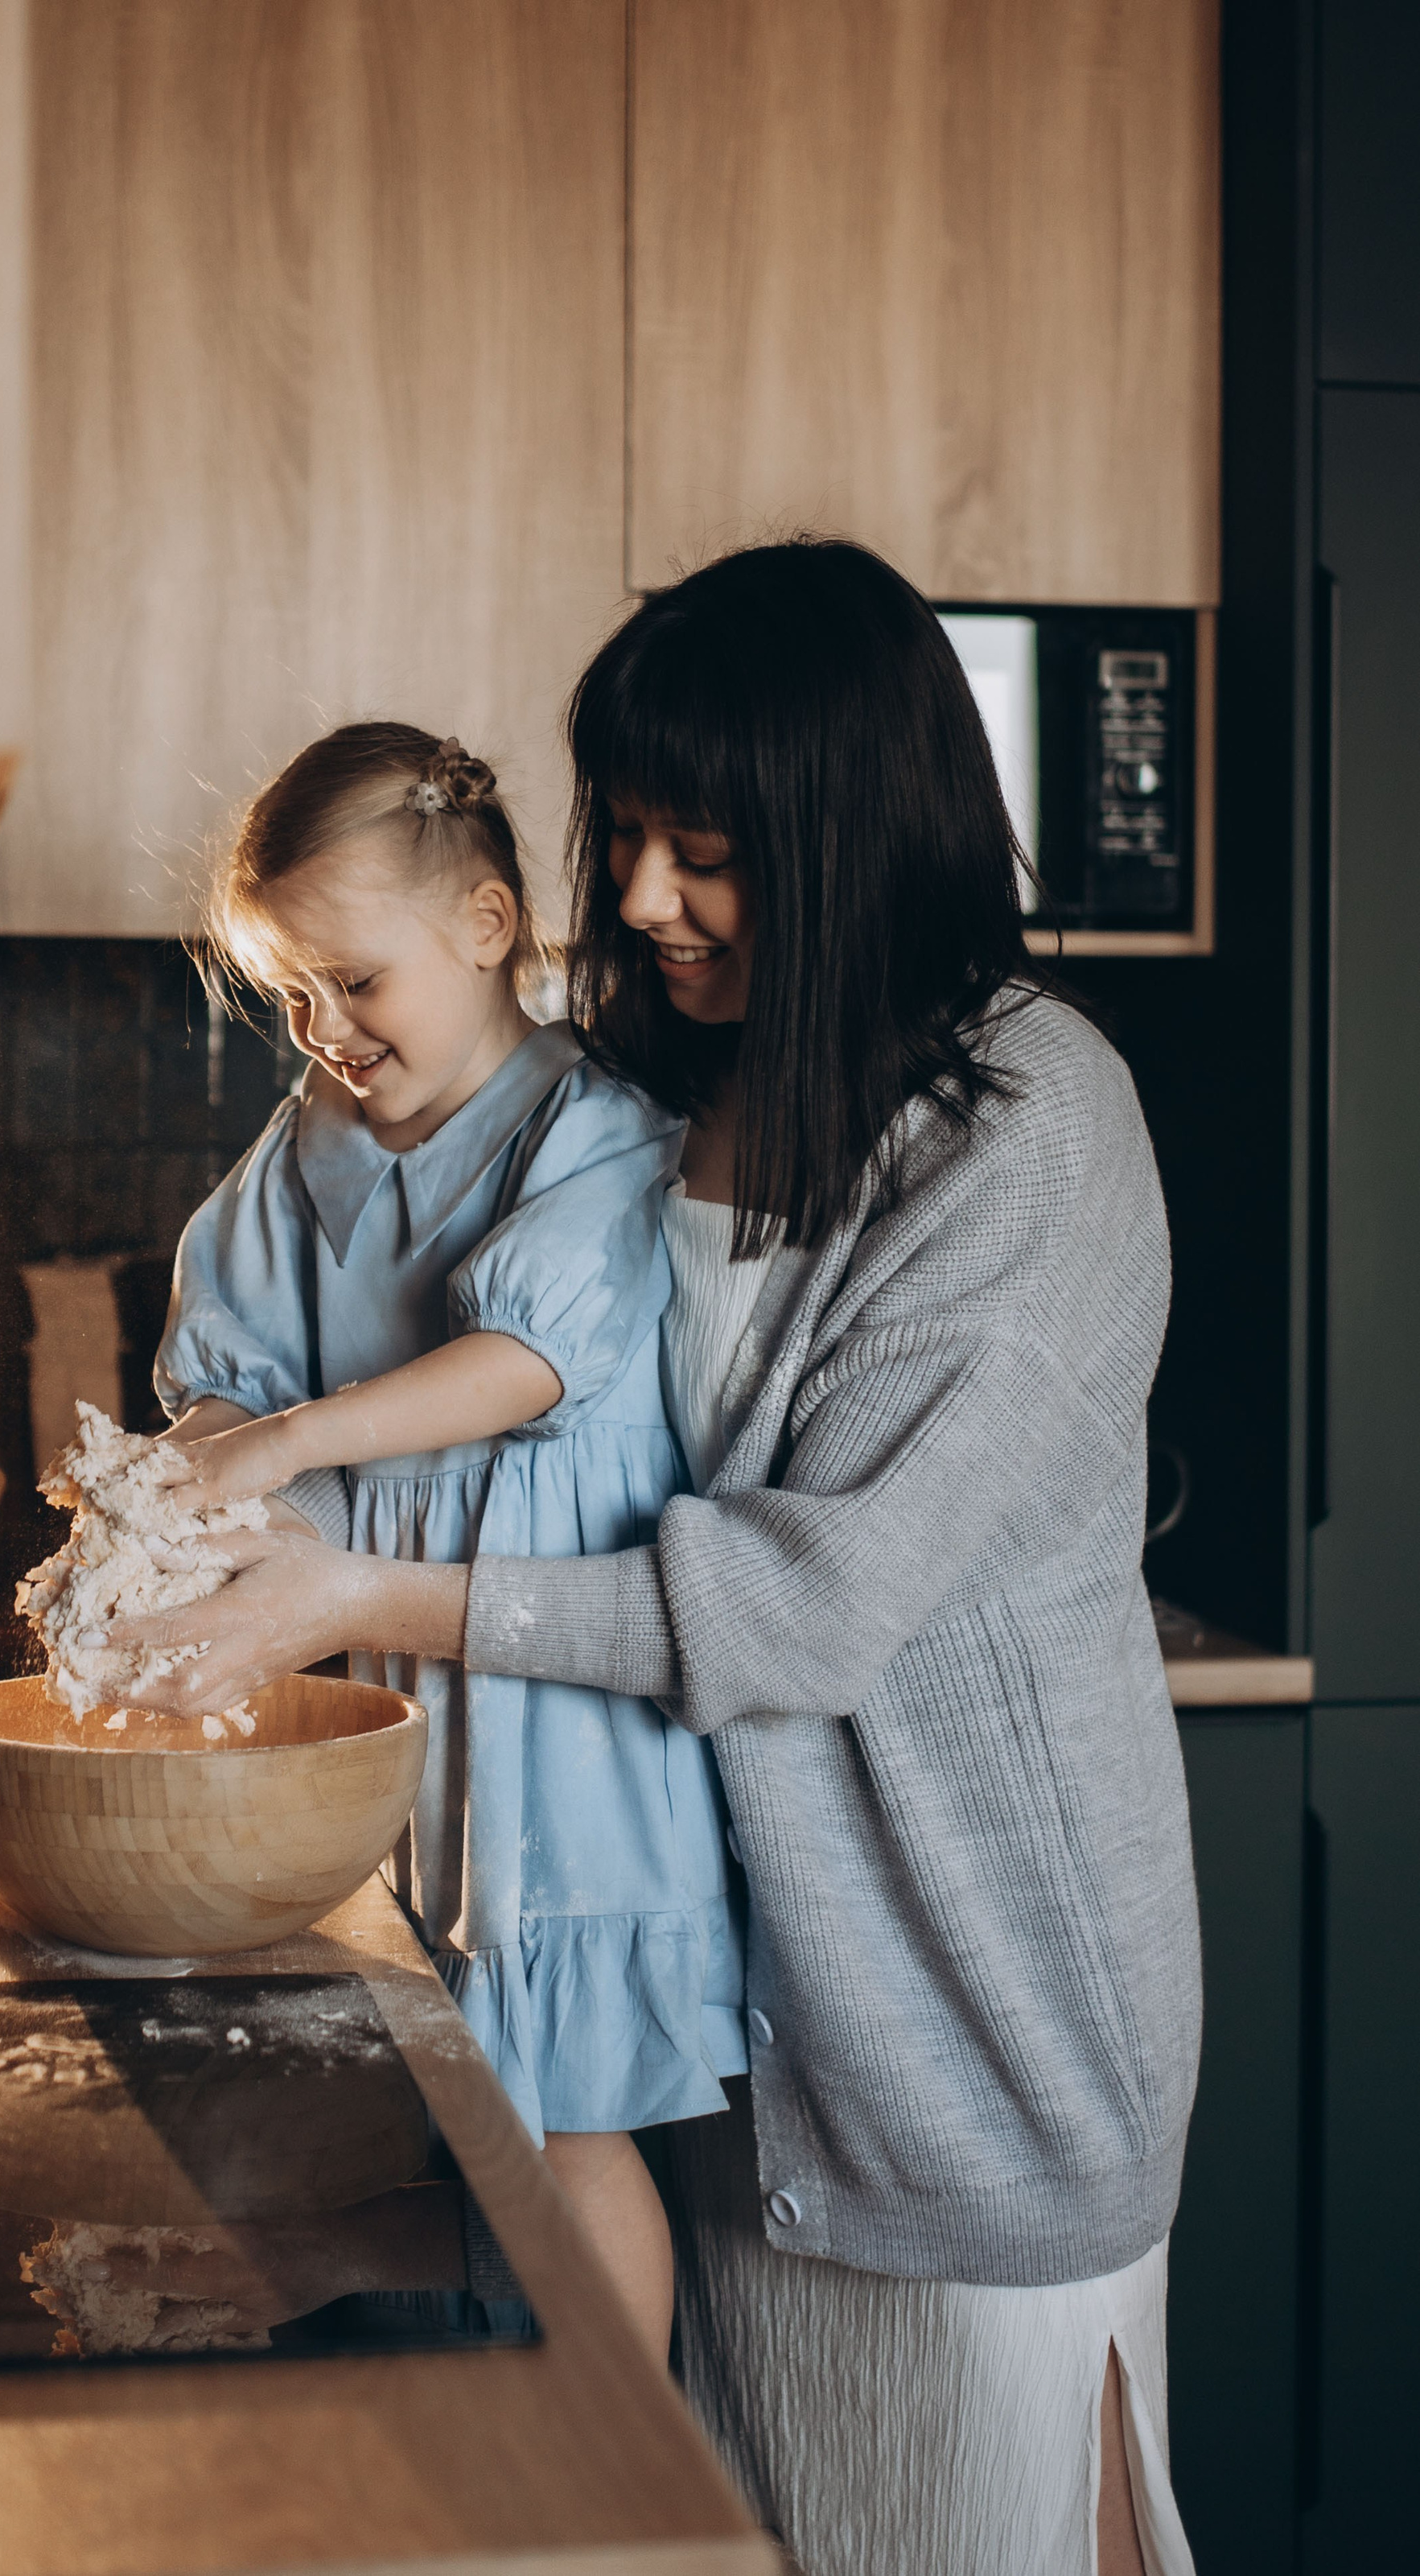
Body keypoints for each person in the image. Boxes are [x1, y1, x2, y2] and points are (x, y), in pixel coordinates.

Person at [116, 548, 1203, 2576]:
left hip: (956, 2044)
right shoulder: (675, 1086)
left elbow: (795, 1599)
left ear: (843, 834)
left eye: (695, 846)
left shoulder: (1031, 1130)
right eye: (619, 831)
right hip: (725, 2030)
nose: (630, 894)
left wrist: (362, 1599)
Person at [151, 719, 746, 2359]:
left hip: (555, 1694)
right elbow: (216, 1374)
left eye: (355, 982)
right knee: (472, 2095)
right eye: (292, 995)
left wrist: (296, 1437)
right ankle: (515, 2458)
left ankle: (621, 2485)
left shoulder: (594, 1125)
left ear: (487, 929)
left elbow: (528, 1361)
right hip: (404, 1686)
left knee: (566, 2121)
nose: (324, 1030)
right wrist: (209, 1483)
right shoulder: (299, 1158)